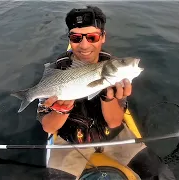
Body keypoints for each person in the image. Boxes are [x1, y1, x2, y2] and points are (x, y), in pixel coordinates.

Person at [36, 5, 146, 179]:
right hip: (70, 143)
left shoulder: (114, 68)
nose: (84, 45)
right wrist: (61, 109)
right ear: (70, 40)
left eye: (92, 37)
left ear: (103, 37)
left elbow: (115, 122)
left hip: (115, 137)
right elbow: (48, 127)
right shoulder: (56, 71)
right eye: (76, 38)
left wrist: (108, 98)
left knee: (159, 174)